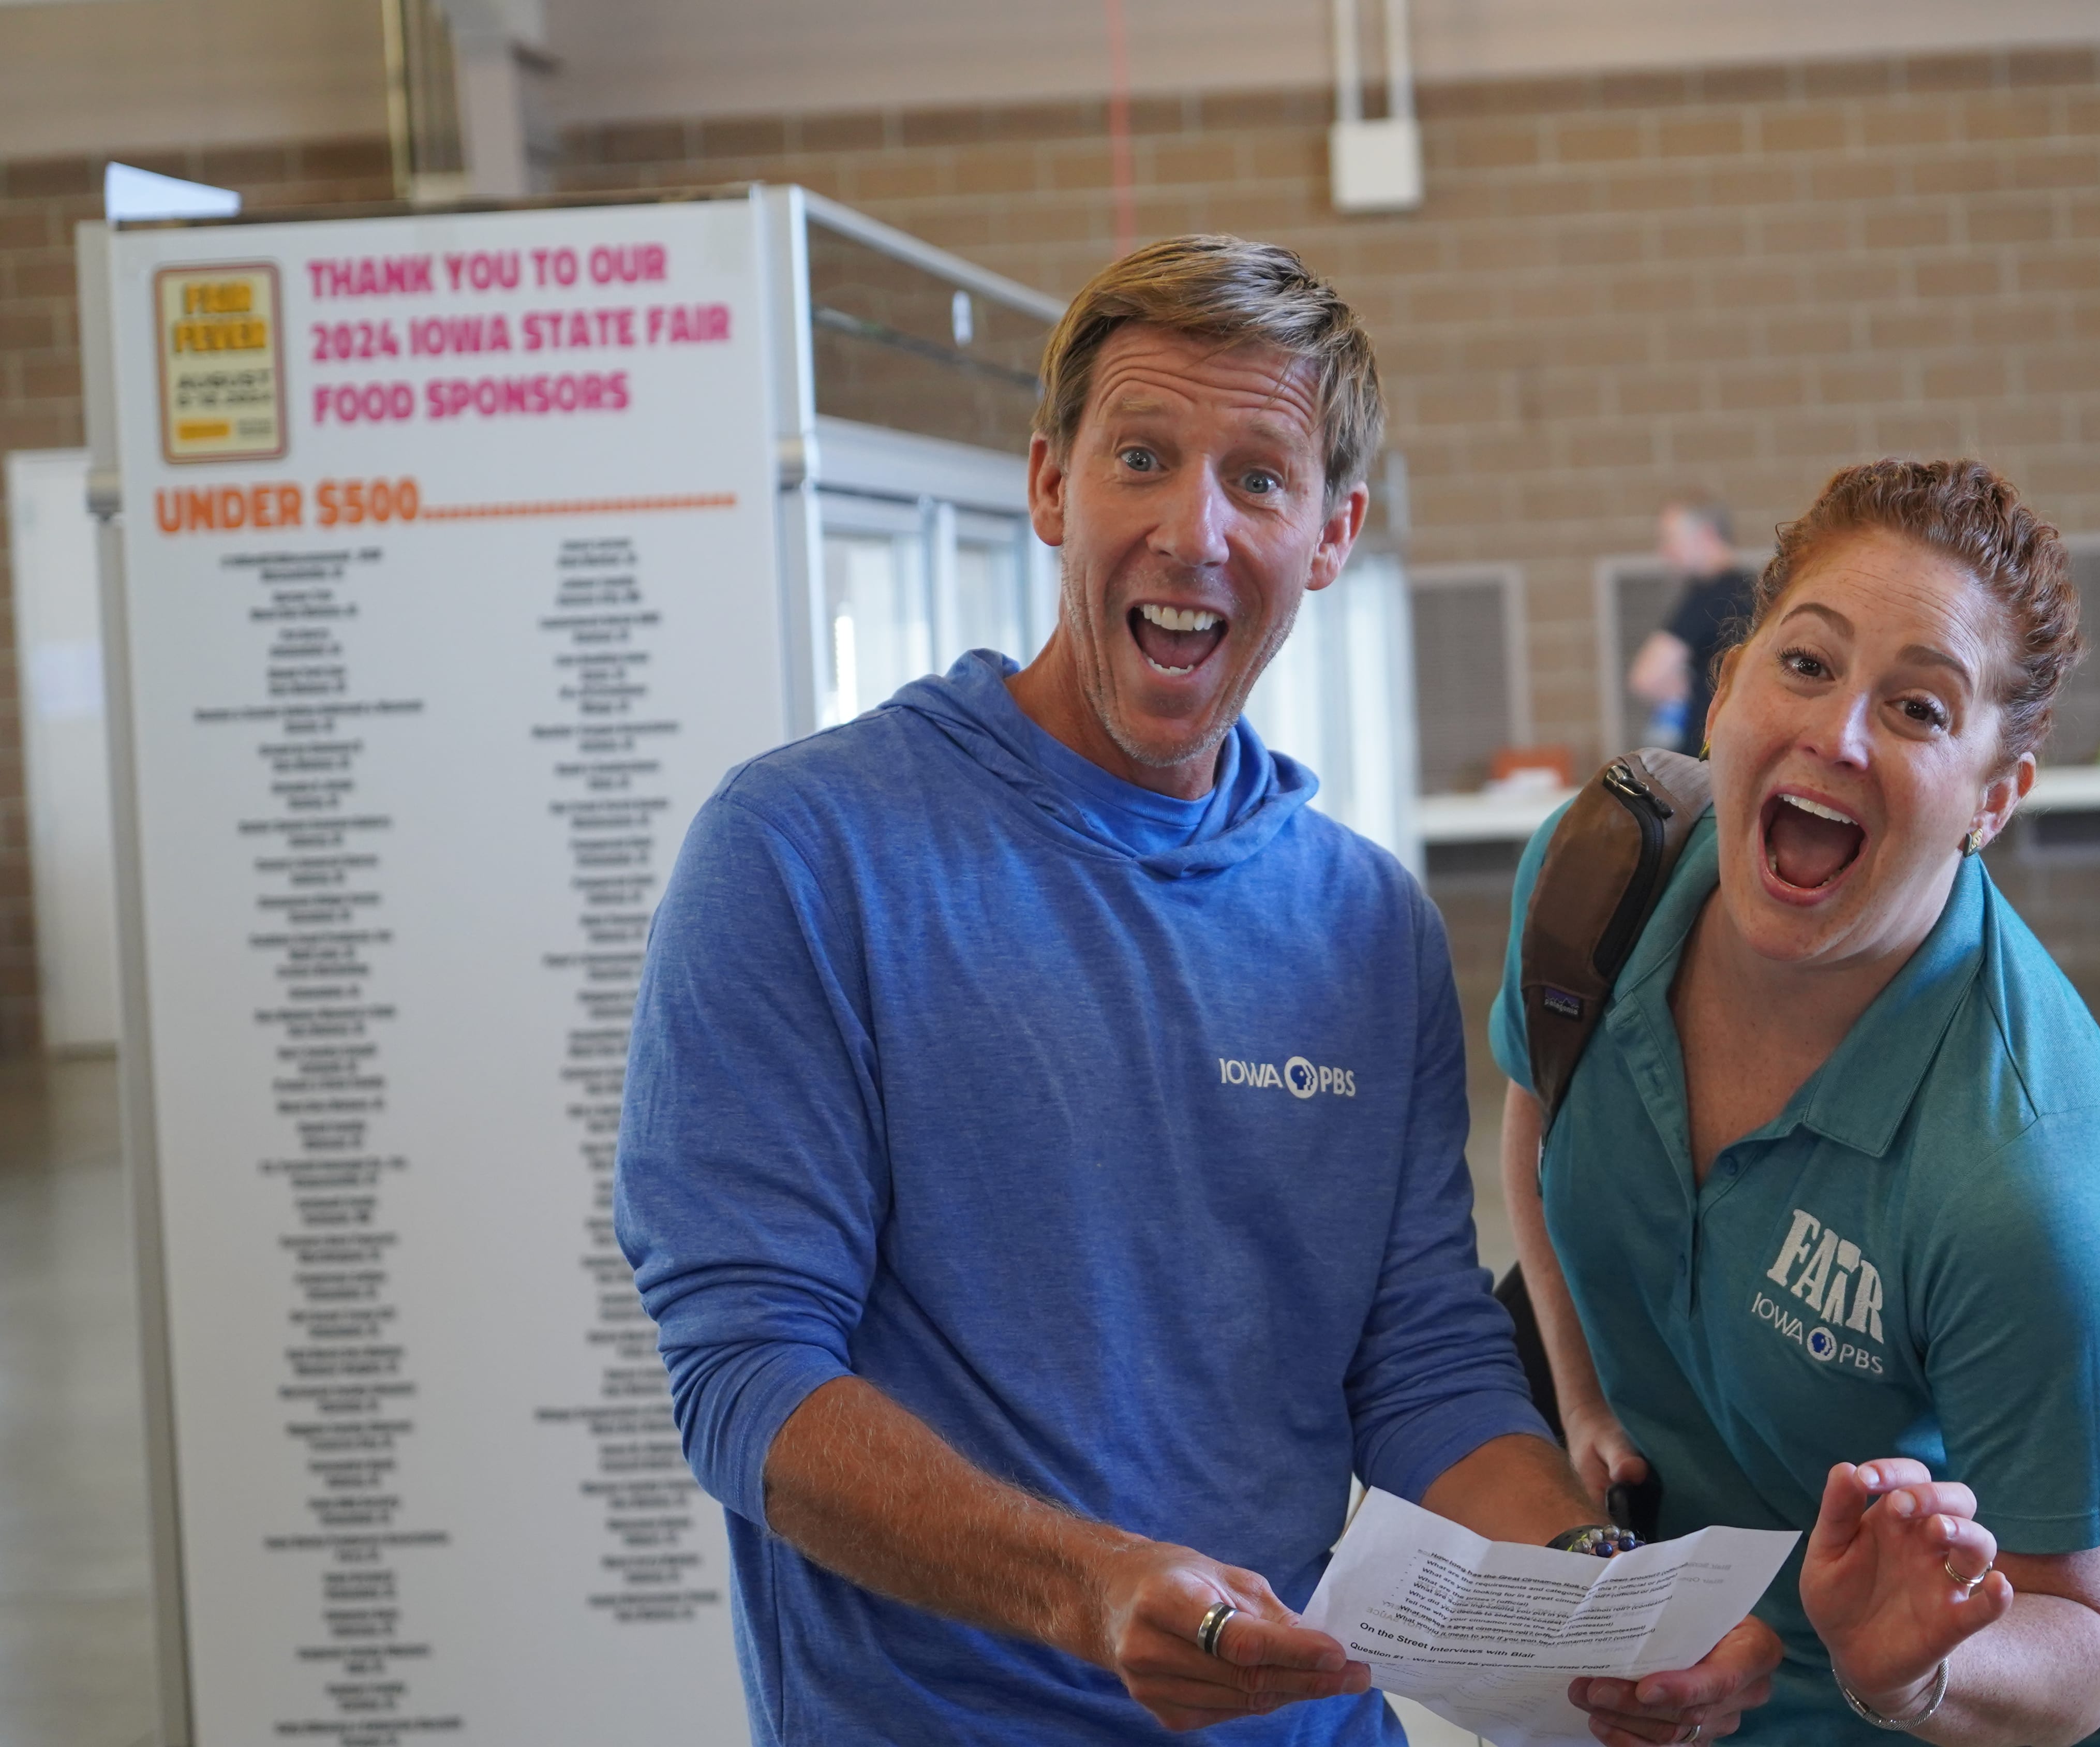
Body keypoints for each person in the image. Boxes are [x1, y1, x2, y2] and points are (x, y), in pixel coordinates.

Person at [615, 236, 1779, 1745]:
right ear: (1048, 487)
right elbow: (746, 1378)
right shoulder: (803, 856)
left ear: (1333, 530)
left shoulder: (1365, 925)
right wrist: (1087, 1590)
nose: (1192, 531)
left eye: (1258, 479)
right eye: (1142, 458)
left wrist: (1589, 1602)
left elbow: (1417, 1359)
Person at [1497, 460, 2100, 1743]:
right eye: (1808, 665)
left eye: (1920, 709)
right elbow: (1536, 1134)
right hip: (1716, 1677)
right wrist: (1584, 1406)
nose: (1835, 735)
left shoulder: (2027, 1184)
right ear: (1725, 689)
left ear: (1996, 797)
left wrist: (1912, 1671)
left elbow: (2079, 1646)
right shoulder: (1596, 885)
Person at [1627, 496, 1754, 751]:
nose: (1664, 552)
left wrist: (1680, 688)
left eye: (1670, 539)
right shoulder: (1754, 590)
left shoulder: (1710, 596)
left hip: (1706, 753)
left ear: (1706, 534)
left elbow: (1646, 677)